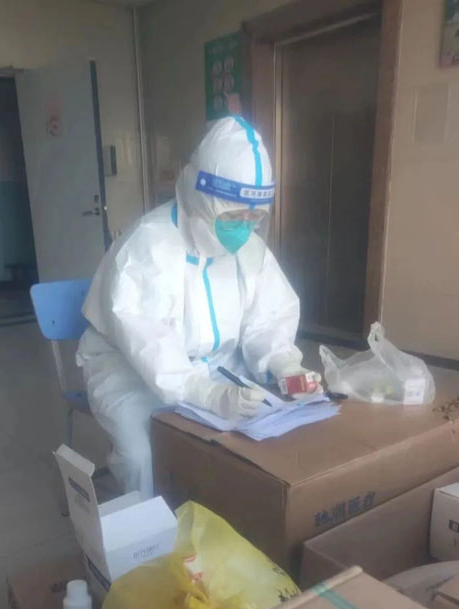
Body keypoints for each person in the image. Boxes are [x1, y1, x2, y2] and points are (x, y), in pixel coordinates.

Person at [77, 115, 311, 498]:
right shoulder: (148, 247)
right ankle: (149, 529)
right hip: (128, 371)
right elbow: (150, 345)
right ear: (202, 198)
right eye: (234, 216)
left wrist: (284, 363)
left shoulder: (249, 249)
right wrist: (207, 394)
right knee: (141, 457)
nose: (244, 228)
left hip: (218, 366)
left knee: (255, 443)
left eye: (254, 217)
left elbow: (268, 317)